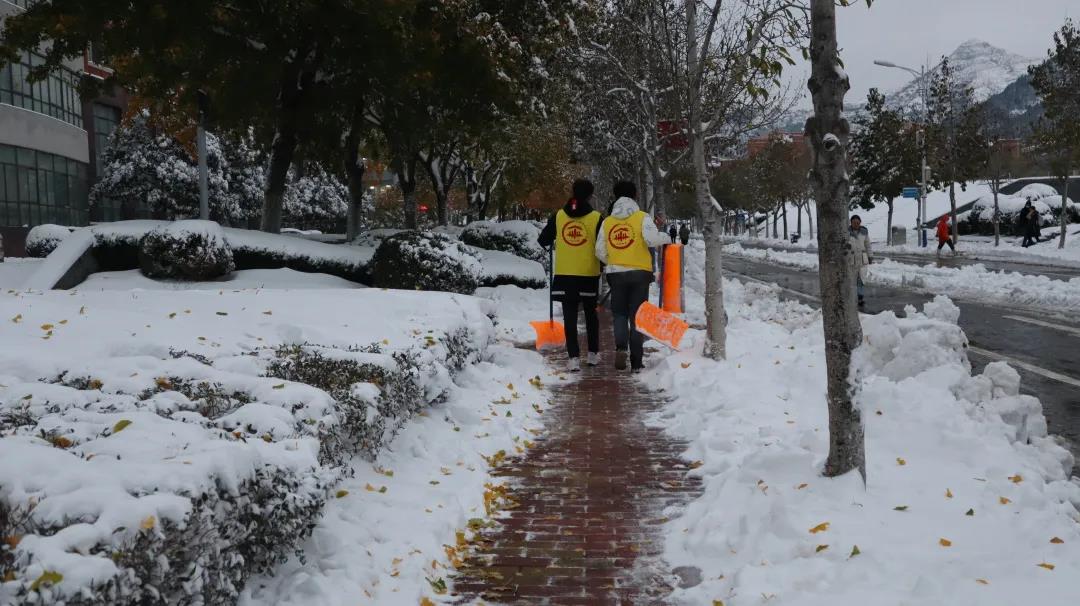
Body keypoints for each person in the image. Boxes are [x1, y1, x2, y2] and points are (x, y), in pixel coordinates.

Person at [595, 180, 669, 372]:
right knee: (637, 316)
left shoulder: (607, 222)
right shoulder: (642, 217)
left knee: (620, 314)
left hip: (616, 275)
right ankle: (636, 362)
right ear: (635, 195)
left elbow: (599, 251)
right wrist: (666, 237)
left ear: (615, 196)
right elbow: (652, 240)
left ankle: (621, 348)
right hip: (639, 274)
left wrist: (613, 260)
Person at [538, 179, 604, 371]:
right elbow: (602, 246)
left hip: (565, 273)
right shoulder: (596, 218)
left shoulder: (559, 216)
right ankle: (593, 354)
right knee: (591, 314)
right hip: (588, 273)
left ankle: (573, 357)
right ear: (590, 195)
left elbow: (543, 240)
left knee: (570, 316)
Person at [849, 215, 871, 307]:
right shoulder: (846, 232)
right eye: (854, 222)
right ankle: (851, 298)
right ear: (851, 223)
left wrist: (870, 256)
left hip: (862, 259)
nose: (856, 224)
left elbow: (868, 245)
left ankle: (860, 298)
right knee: (852, 280)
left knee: (861, 280)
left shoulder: (864, 232)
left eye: (857, 223)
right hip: (851, 260)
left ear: (860, 223)